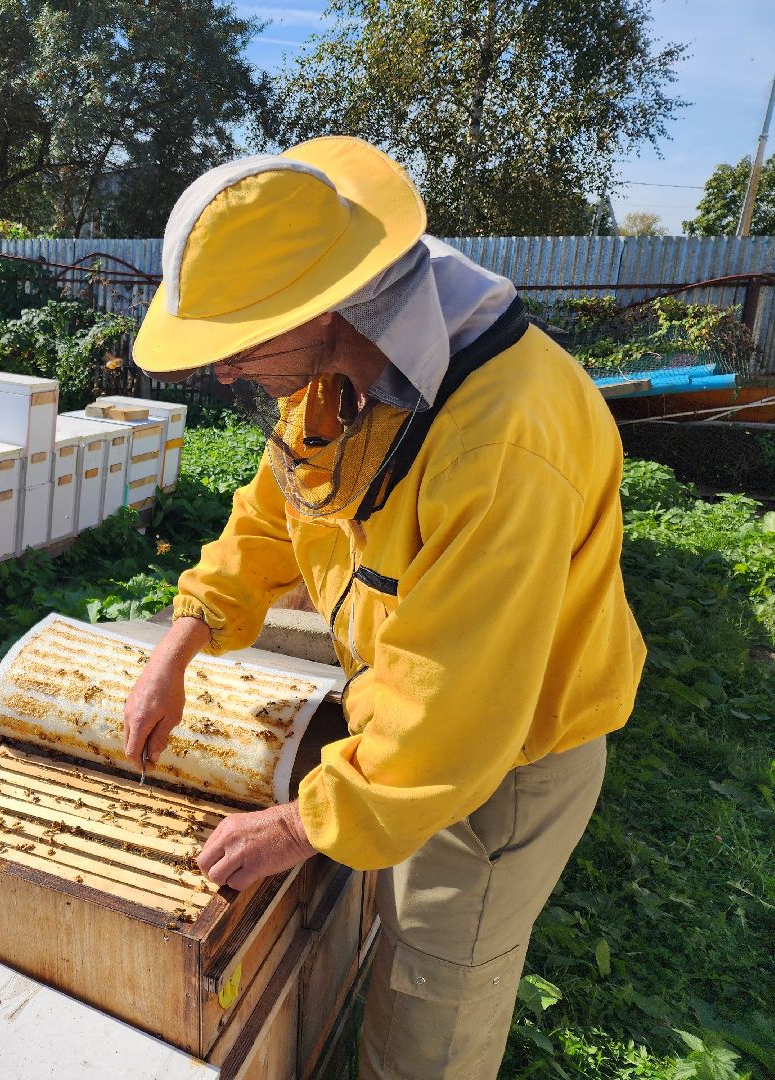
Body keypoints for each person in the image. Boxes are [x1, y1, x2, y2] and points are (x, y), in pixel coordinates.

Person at [121, 137, 646, 1080]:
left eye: (240, 343)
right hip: (412, 732)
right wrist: (181, 641)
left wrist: (293, 827)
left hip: (502, 763)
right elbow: (276, 516)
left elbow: (458, 711)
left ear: (322, 303)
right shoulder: (334, 374)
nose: (229, 371)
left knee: (426, 1027)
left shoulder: (501, 442)